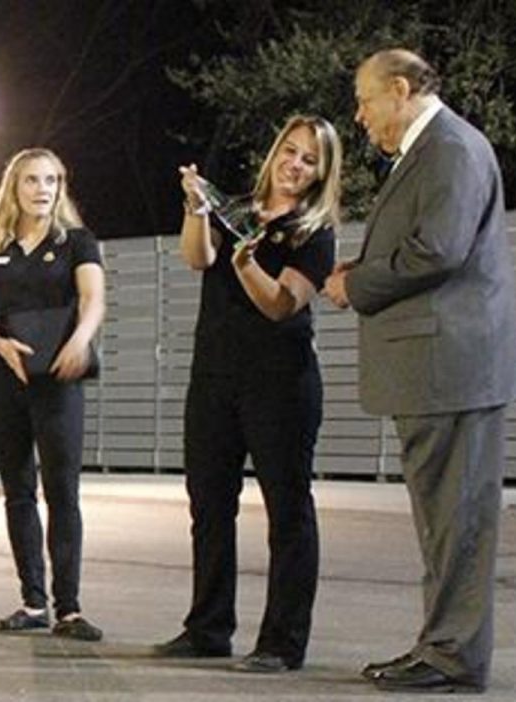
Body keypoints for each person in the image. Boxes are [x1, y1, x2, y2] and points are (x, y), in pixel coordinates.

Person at [323, 49, 516, 693]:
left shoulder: (449, 149)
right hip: (439, 368)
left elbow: (437, 249)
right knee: (445, 520)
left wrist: (355, 286)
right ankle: (441, 644)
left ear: (401, 89)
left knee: (458, 519)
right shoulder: (434, 150)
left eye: (365, 100)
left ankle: (454, 655)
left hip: (453, 367)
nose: (359, 116)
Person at [155, 115, 342, 673]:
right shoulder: (235, 210)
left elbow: (281, 304)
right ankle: (207, 628)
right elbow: (196, 258)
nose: (295, 164)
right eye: (290, 150)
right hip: (214, 376)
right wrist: (195, 208)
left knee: (288, 511)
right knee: (209, 506)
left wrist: (246, 263)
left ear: (322, 173)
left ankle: (282, 642)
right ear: (274, 151)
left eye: (310, 159)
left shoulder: (315, 232)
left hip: (280, 383)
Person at [0, 147, 105, 641]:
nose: (42, 188)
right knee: (18, 491)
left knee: (62, 491)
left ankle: (69, 607)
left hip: (57, 378)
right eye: (31, 180)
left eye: (51, 180)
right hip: (4, 377)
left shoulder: (78, 242)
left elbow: (92, 298)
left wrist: (79, 341)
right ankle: (33, 602)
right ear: (14, 187)